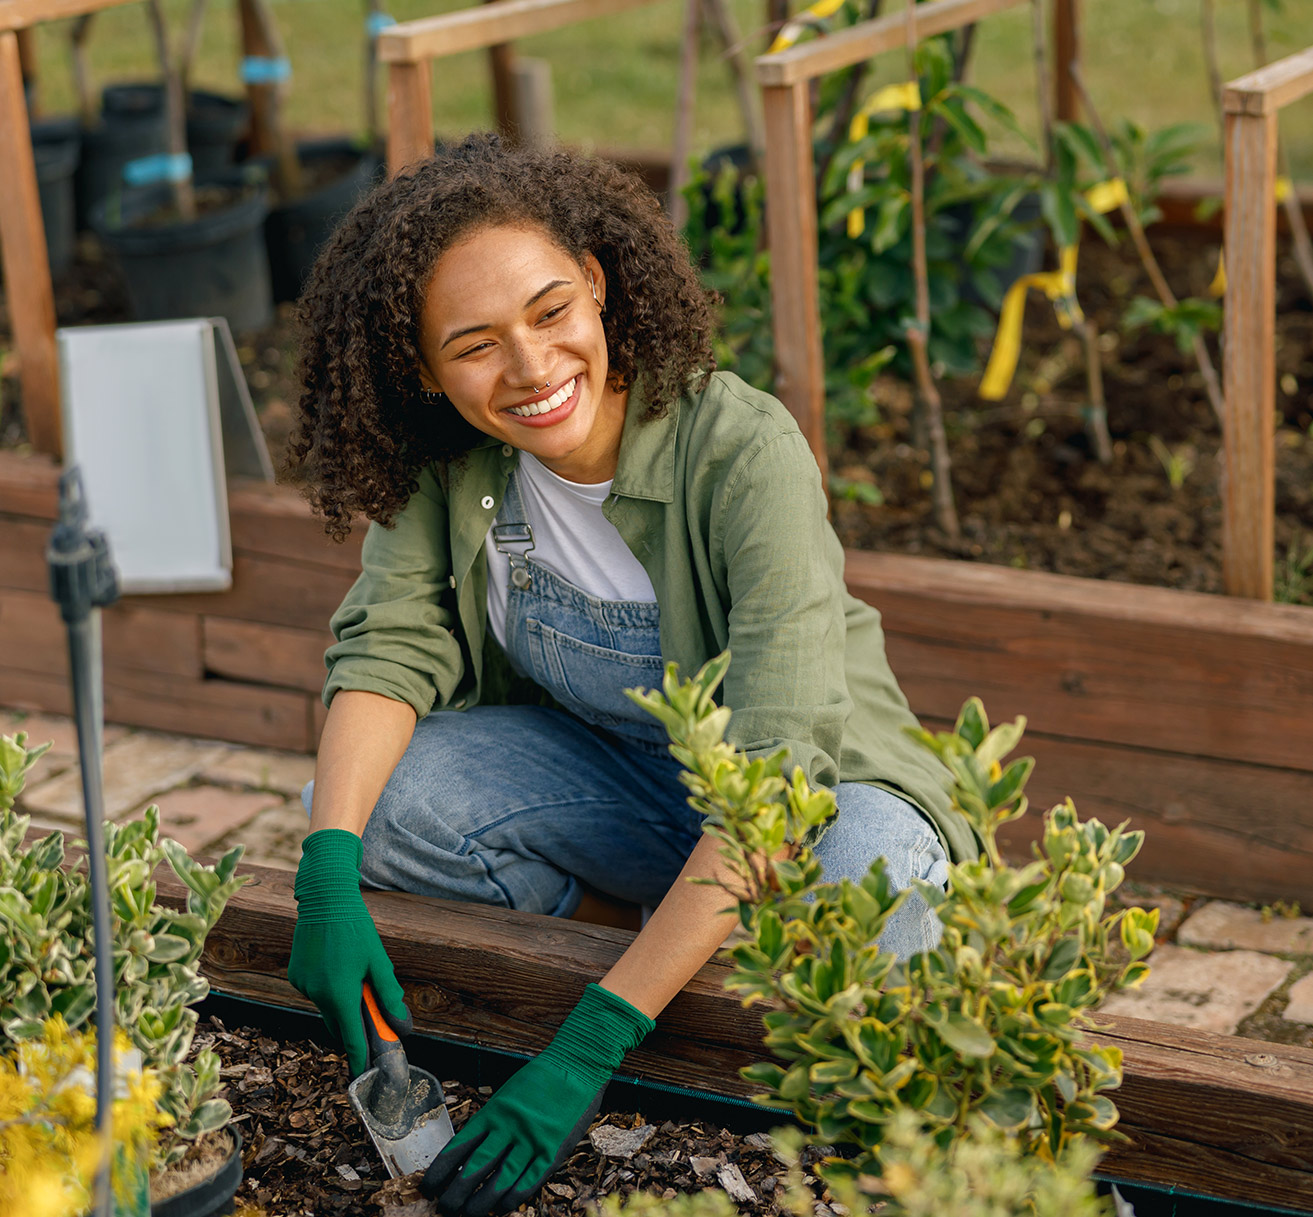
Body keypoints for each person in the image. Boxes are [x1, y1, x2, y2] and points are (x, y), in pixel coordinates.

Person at [285, 134, 975, 1217]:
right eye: (473, 345)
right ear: (423, 368)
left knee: (873, 873)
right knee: (383, 800)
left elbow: (772, 777)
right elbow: (386, 646)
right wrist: (323, 872)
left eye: (550, 311)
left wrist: (586, 1046)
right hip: (631, 790)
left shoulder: (740, 450)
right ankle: (682, 939)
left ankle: (666, 963)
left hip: (814, 796)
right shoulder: (453, 465)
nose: (530, 368)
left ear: (598, 288)